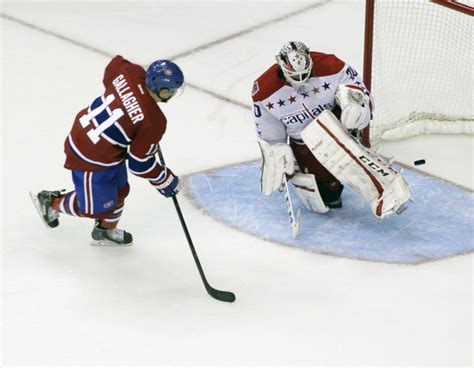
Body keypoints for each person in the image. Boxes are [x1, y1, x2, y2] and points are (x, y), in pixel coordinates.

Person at [31, 55, 184, 246]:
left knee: (119, 191)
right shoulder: (154, 121)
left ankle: (105, 230)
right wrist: (163, 178)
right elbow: (139, 164)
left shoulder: (131, 72)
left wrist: (125, 102)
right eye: (172, 90)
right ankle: (51, 201)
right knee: (94, 208)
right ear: (162, 90)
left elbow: (113, 67)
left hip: (104, 146)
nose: (172, 93)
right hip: (90, 156)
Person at [252, 41, 410, 218]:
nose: (301, 80)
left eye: (306, 73)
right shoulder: (263, 91)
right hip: (303, 143)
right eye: (295, 76)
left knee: (330, 136)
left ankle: (385, 188)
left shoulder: (331, 65)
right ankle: (329, 176)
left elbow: (364, 95)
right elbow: (270, 135)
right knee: (330, 196)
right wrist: (276, 149)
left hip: (338, 125)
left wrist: (358, 108)